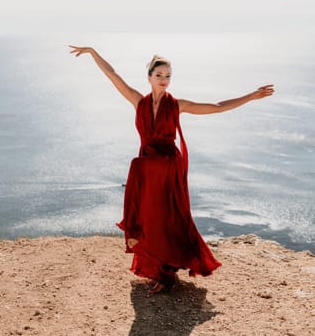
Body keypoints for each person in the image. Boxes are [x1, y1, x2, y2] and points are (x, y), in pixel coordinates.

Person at [69, 45, 274, 293]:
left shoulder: (177, 105)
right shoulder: (138, 101)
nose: (164, 80)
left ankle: (165, 273)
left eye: (168, 76)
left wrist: (251, 96)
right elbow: (112, 74)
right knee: (150, 217)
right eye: (159, 75)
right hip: (148, 165)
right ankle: (158, 269)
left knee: (164, 216)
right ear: (149, 77)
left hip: (166, 167)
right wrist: (92, 52)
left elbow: (217, 106)